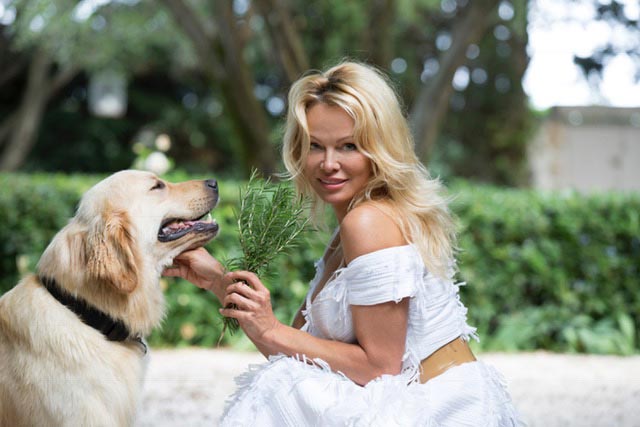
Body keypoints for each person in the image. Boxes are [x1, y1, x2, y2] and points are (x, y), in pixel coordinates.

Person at [163, 61, 523, 426]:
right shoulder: (352, 224)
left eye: (349, 146)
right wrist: (216, 280)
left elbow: (380, 367)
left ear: (380, 149)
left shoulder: (368, 222)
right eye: (316, 146)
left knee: (278, 386)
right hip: (407, 402)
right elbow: (294, 351)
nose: (328, 163)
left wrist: (272, 327)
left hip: (436, 411)